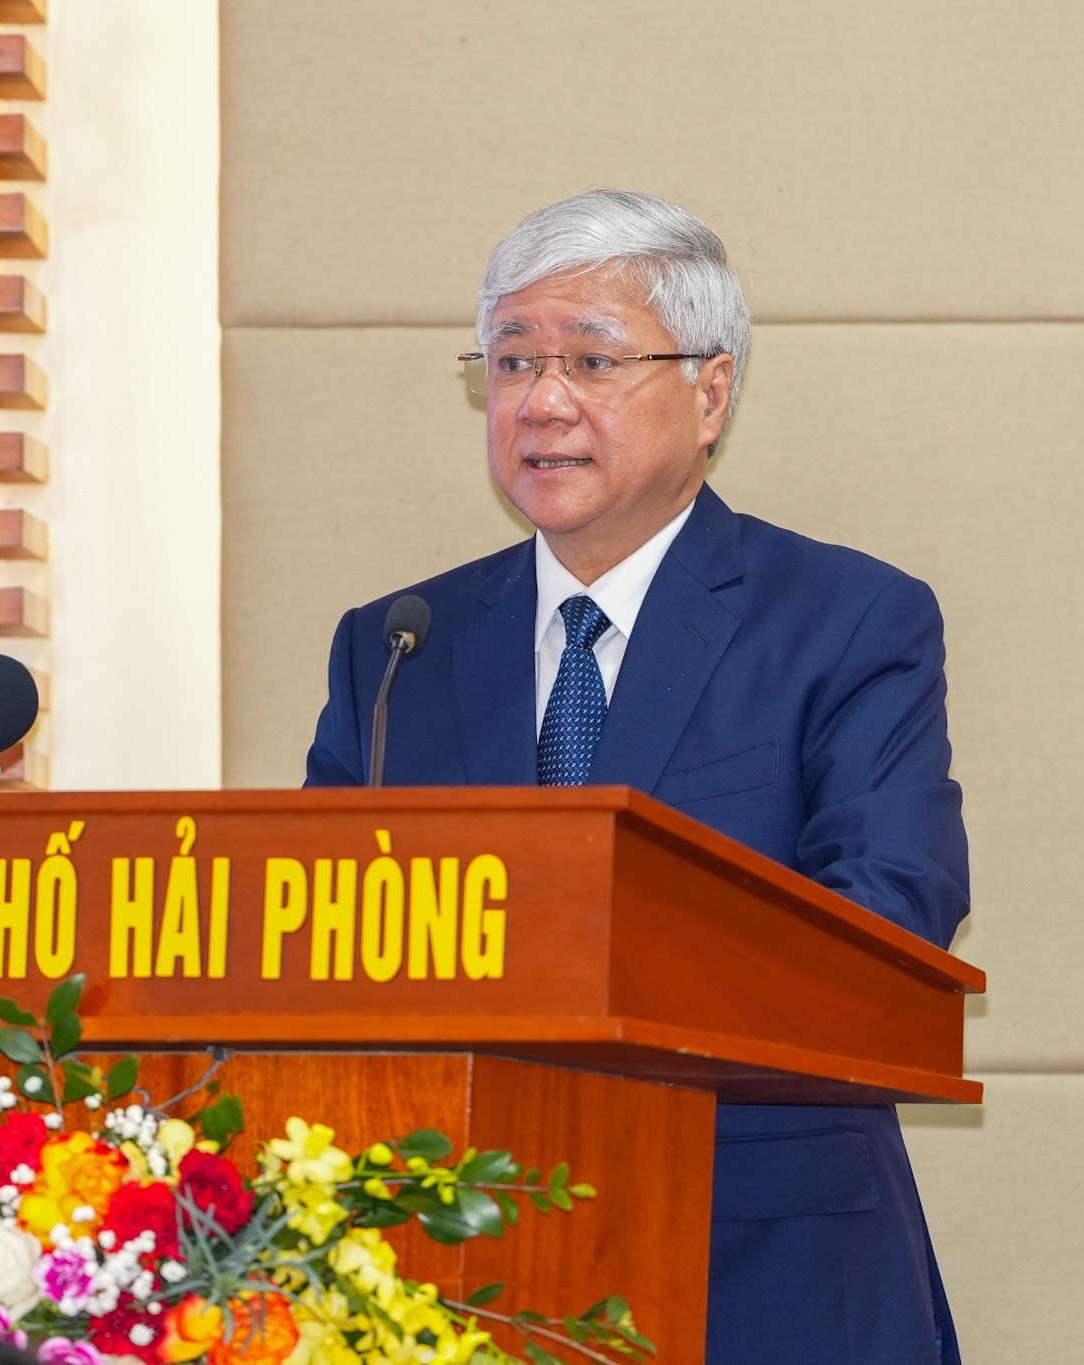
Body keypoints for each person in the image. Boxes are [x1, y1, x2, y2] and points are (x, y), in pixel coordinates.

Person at [304, 190, 971, 1364]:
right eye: (512, 359)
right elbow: (316, 929)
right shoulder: (400, 645)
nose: (540, 399)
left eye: (591, 359)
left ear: (710, 394)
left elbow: (888, 913)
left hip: (760, 1261)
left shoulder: (844, 619)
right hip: (453, 1266)